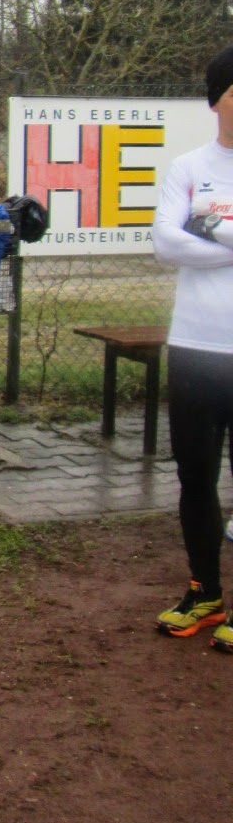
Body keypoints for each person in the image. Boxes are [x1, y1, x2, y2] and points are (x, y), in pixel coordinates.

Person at [153, 43, 233, 651]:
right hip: (193, 348)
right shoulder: (188, 167)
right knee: (195, 475)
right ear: (216, 101)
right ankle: (205, 593)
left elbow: (187, 236)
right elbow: (165, 244)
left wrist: (206, 226)